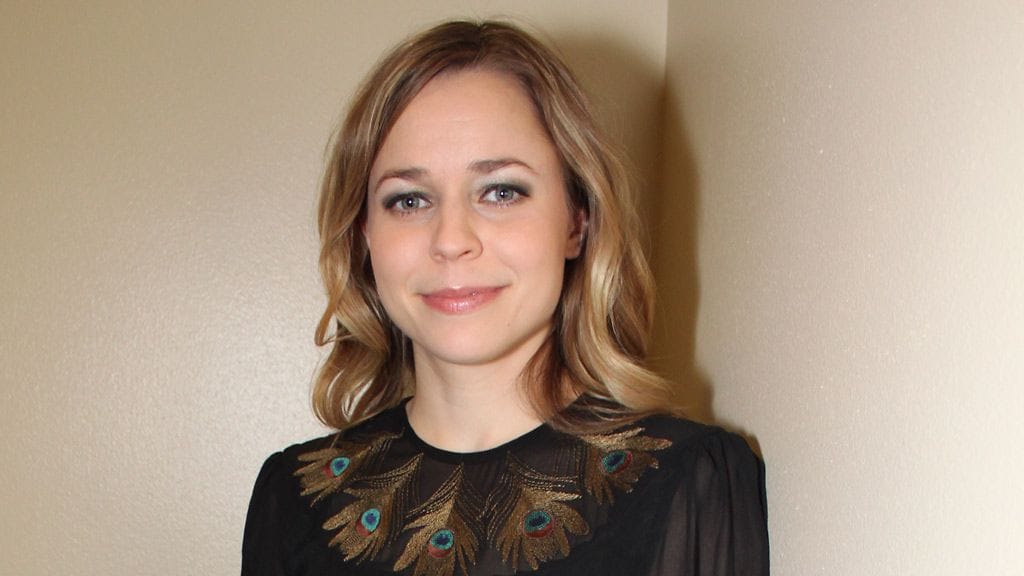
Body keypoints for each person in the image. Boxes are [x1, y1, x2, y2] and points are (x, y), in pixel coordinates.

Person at [242, 20, 769, 576]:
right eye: (409, 200)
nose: (451, 240)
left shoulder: (689, 483)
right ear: (364, 235)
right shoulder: (291, 500)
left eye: (500, 192)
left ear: (577, 220)